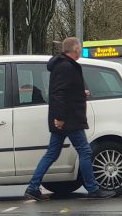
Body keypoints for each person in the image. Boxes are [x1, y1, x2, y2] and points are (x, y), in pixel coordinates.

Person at [24, 37, 116, 201]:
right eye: (79, 48)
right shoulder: (67, 67)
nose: (80, 51)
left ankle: (33, 187)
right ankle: (93, 189)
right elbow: (59, 94)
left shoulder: (61, 65)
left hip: (65, 117)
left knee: (52, 153)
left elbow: (66, 91)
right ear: (74, 50)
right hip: (69, 118)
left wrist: (81, 92)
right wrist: (59, 118)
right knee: (85, 151)